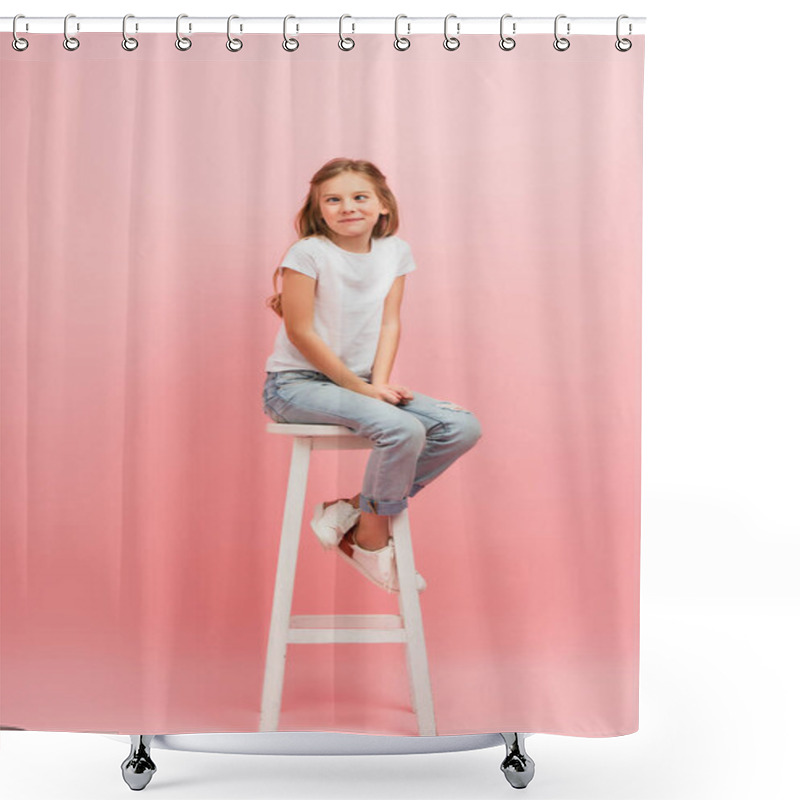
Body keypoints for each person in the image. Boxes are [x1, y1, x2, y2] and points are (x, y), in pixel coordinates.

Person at [262, 157, 482, 594]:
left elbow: (389, 323)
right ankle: (370, 542)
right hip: (296, 386)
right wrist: (361, 389)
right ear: (319, 209)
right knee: (401, 430)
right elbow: (300, 332)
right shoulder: (307, 253)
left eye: (360, 197)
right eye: (334, 200)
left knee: (460, 426)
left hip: (360, 382)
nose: (348, 207)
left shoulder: (395, 252)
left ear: (383, 205)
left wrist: (377, 383)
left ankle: (354, 510)